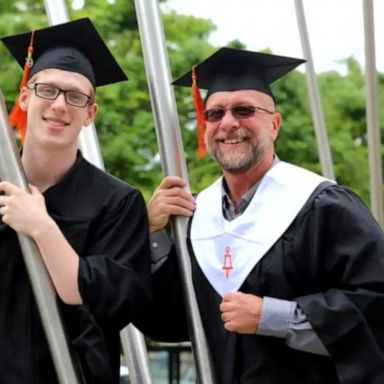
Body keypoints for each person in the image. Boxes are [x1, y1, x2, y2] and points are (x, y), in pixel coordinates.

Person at [138, 48, 384, 383]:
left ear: (274, 124)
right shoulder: (196, 217)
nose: (228, 123)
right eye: (214, 113)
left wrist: (272, 317)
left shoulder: (322, 206)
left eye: (244, 110)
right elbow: (169, 321)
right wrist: (152, 233)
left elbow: (375, 308)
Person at [0, 18, 151, 383]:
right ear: (25, 96)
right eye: (47, 90)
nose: (60, 105)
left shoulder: (119, 203)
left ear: (90, 114)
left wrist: (41, 227)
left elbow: (89, 295)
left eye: (76, 96)